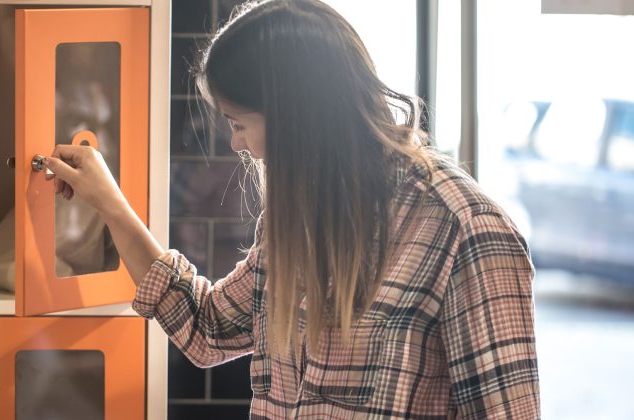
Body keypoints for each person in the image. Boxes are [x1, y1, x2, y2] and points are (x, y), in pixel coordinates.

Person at [44, 0, 541, 418]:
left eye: (239, 122)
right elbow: (208, 329)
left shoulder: (466, 230)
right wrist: (109, 203)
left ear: (296, 116)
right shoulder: (299, 217)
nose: (237, 143)